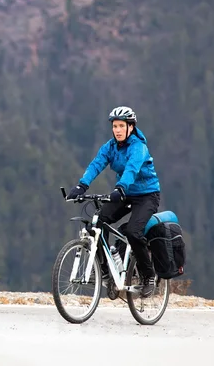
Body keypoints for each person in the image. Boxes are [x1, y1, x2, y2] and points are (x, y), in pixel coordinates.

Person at [66, 106, 160, 297]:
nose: (117, 130)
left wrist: (121, 188)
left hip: (146, 195)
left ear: (131, 127)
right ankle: (106, 273)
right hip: (124, 193)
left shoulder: (138, 147)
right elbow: (96, 164)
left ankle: (148, 276)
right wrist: (82, 186)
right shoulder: (110, 147)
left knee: (134, 232)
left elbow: (131, 169)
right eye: (114, 126)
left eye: (121, 126)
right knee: (97, 223)